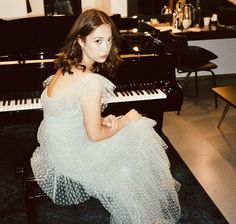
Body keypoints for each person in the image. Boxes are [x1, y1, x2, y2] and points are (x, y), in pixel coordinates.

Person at [31, 8, 181, 224]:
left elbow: (67, 113)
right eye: (98, 41)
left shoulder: (65, 67)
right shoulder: (90, 82)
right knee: (139, 133)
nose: (106, 48)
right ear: (81, 41)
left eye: (109, 40)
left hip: (55, 145)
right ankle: (141, 217)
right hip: (70, 154)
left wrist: (103, 119)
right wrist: (125, 119)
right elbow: (94, 136)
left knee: (130, 144)